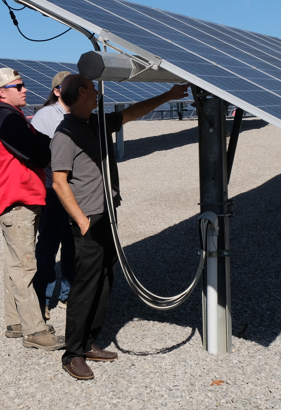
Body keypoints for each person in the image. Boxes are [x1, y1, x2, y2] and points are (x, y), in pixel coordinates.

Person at [52, 74, 189, 380]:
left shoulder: (96, 123)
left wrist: (168, 95)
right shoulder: (65, 133)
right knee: (86, 284)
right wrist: (83, 221)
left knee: (104, 280)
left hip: (107, 216)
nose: (99, 93)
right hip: (89, 220)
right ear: (83, 92)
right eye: (94, 89)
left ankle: (89, 343)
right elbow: (59, 183)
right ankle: (72, 353)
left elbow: (132, 112)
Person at [0, 67, 65, 351]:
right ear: (2, 92)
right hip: (17, 199)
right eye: (19, 86)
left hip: (15, 198)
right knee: (25, 265)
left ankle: (16, 321)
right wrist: (43, 145)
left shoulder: (7, 115)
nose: (25, 89)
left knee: (15, 262)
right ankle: (34, 329)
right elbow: (38, 153)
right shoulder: (6, 117)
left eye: (23, 85)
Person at [32, 71, 75, 317]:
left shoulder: (80, 115)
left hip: (74, 190)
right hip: (52, 191)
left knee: (72, 245)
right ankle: (44, 298)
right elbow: (40, 156)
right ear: (56, 91)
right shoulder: (45, 116)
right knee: (48, 246)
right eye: (65, 86)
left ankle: (69, 293)